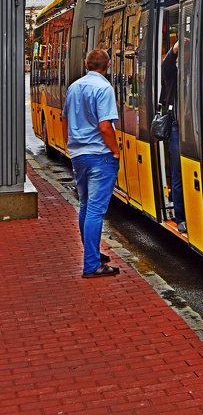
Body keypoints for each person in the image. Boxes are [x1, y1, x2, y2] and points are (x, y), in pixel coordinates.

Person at [61, 49, 121, 278]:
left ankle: (92, 254)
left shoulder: (74, 87)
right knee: (96, 209)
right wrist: (115, 151)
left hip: (79, 155)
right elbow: (105, 126)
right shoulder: (104, 88)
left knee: (85, 205)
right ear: (108, 65)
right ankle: (91, 265)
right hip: (99, 155)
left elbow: (65, 119)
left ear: (87, 64)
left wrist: (71, 145)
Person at [160, 39, 186, 233]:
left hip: (192, 130)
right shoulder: (173, 74)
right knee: (177, 175)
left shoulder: (195, 74)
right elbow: (166, 66)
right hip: (177, 129)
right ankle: (180, 217)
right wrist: (174, 50)